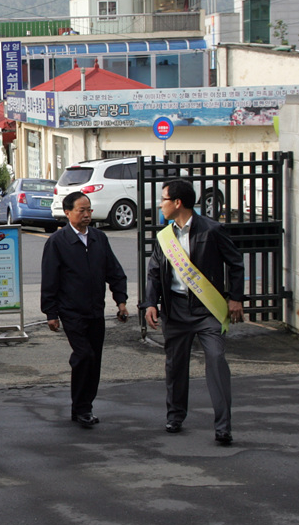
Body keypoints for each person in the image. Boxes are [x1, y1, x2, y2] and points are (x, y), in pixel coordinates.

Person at [140, 179, 245, 445]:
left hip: (207, 310)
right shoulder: (165, 236)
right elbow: (153, 272)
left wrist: (235, 298)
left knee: (217, 360)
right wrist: (150, 303)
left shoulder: (212, 230)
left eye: (163, 199)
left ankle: (223, 427)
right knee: (175, 366)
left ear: (177, 203)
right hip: (175, 310)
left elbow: (235, 263)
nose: (160, 205)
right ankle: (175, 415)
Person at [39, 192, 128, 428]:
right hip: (71, 312)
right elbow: (50, 279)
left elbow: (115, 272)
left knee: (94, 360)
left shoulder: (99, 238)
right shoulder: (58, 242)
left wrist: (121, 301)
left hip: (95, 311)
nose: (87, 214)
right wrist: (51, 313)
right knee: (84, 356)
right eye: (81, 210)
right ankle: (81, 408)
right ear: (68, 212)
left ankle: (84, 407)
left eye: (89, 210)